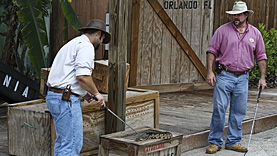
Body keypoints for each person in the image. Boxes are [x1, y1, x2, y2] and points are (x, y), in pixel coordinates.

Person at [205, 1, 267, 154]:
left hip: (243, 78)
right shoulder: (222, 31)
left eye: (239, 14)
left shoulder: (255, 34)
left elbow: (261, 56)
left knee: (239, 111)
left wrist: (263, 77)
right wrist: (210, 72)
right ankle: (215, 142)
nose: (236, 17)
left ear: (246, 15)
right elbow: (211, 51)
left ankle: (233, 141)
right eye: (234, 15)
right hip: (224, 75)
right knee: (219, 108)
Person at [46, 19, 111, 156]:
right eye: (102, 39)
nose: (100, 43)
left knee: (63, 143)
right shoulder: (86, 46)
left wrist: (82, 93)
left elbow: (67, 75)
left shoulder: (73, 43)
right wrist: (96, 93)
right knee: (72, 145)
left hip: (55, 96)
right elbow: (82, 77)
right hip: (65, 101)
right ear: (98, 34)